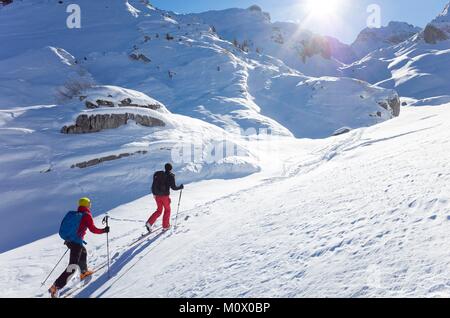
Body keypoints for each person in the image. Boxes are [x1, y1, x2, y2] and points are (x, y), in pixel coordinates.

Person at [48, 197, 109, 298]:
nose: (90, 205)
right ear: (87, 205)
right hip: (76, 242)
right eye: (89, 203)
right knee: (72, 267)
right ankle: (56, 287)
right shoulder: (86, 215)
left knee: (83, 251)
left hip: (70, 241)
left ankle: (84, 272)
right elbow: (93, 229)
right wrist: (104, 230)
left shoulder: (74, 215)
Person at [146, 163, 184, 232]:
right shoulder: (171, 176)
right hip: (165, 196)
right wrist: (180, 187)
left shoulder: (159, 175)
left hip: (157, 196)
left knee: (159, 210)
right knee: (167, 210)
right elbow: (174, 187)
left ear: (165, 168)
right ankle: (166, 226)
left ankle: (149, 223)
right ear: (171, 169)